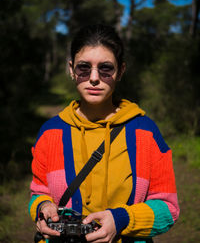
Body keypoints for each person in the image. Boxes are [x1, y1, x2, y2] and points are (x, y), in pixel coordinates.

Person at [28, 24, 180, 243]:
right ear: (71, 69)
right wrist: (43, 207)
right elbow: (38, 193)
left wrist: (122, 220)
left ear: (121, 71)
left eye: (106, 68)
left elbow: (168, 209)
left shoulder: (145, 132)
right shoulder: (50, 133)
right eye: (84, 67)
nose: (94, 77)